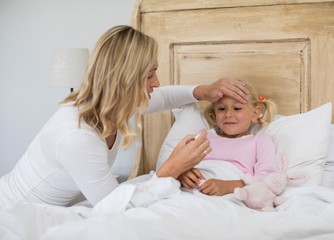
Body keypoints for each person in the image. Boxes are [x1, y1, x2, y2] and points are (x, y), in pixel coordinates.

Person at [0, 25, 249, 208]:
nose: (156, 82)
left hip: (54, 209)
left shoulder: (111, 102)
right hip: (14, 214)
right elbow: (117, 209)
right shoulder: (76, 137)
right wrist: (171, 168)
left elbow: (163, 97)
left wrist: (202, 91)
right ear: (125, 80)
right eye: (149, 75)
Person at [178, 82, 278, 196]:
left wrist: (228, 186)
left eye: (237, 108)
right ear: (214, 113)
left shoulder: (260, 141)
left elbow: (267, 178)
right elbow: (178, 164)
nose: (228, 114)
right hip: (189, 192)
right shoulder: (202, 137)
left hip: (230, 194)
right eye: (221, 108)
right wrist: (183, 175)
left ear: (255, 114)